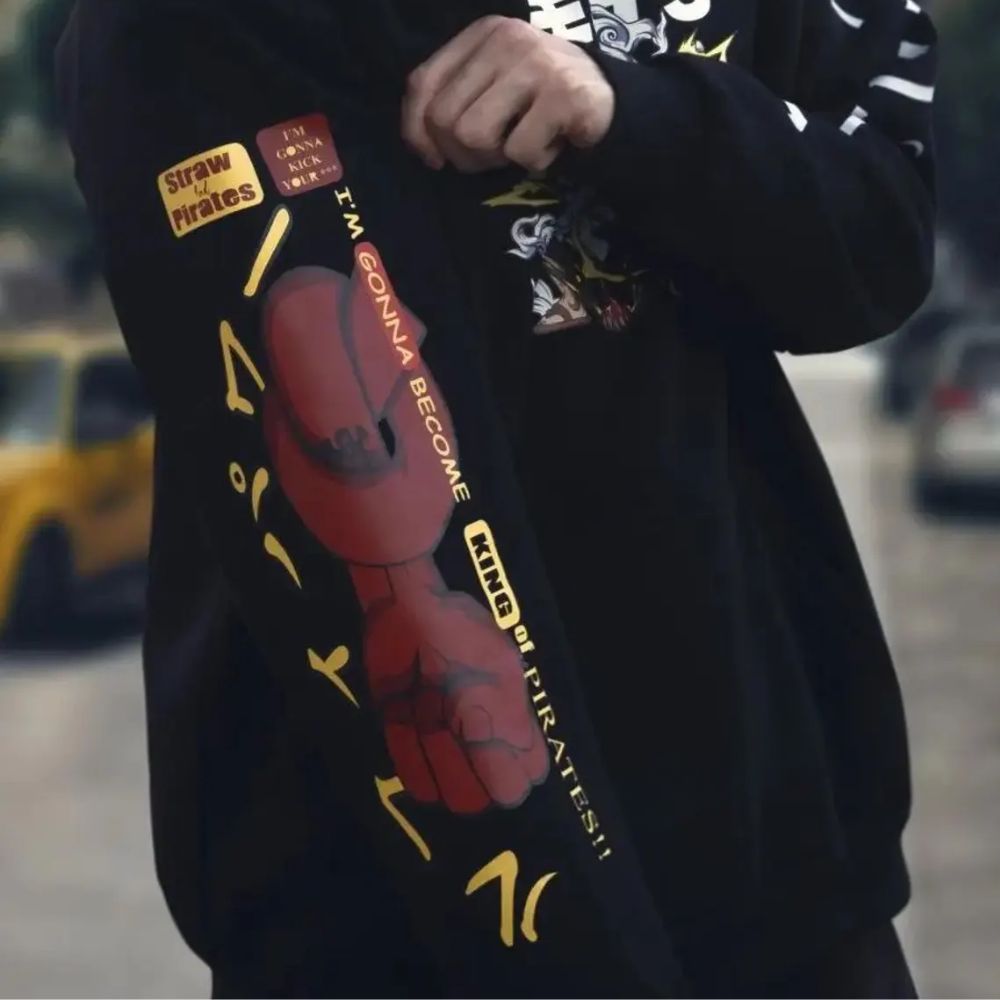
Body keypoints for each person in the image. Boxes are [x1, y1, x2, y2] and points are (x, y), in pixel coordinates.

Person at [57, 0, 936, 995]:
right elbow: (351, 460)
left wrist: (630, 112)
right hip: (381, 906)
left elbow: (878, 242)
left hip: (778, 861)